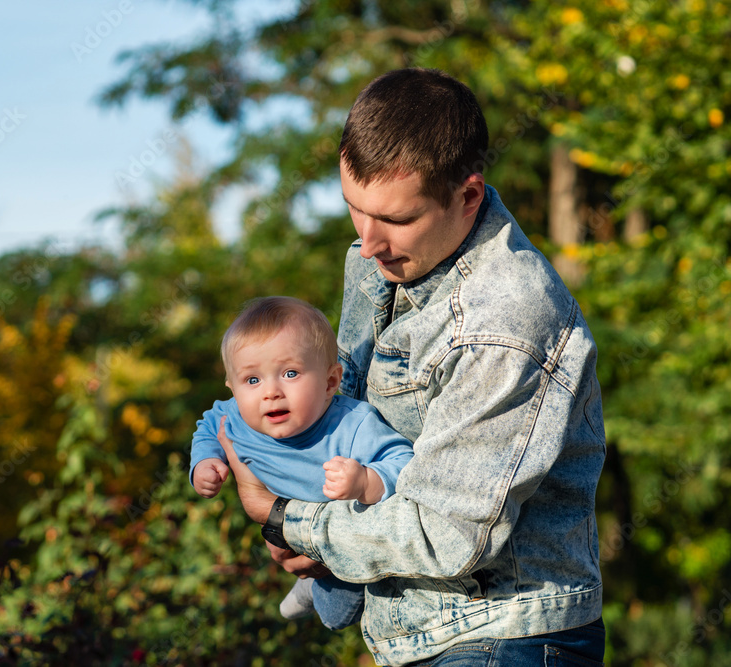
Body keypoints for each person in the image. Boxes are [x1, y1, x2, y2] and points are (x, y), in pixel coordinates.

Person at [216, 68, 608, 666]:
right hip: (414, 630)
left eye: (397, 220)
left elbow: (447, 533)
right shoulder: (377, 261)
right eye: (354, 209)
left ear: (468, 196)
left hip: (503, 636)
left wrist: (287, 520)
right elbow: (342, 410)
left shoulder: (505, 323)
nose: (369, 242)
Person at [190, 295, 414, 630]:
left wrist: (367, 480)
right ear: (232, 388)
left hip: (341, 536)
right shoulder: (233, 417)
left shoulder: (352, 424)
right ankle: (307, 584)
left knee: (336, 614)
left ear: (330, 382)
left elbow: (403, 461)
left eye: (290, 373)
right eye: (252, 380)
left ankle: (314, 588)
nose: (271, 392)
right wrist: (205, 461)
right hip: (287, 528)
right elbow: (208, 424)